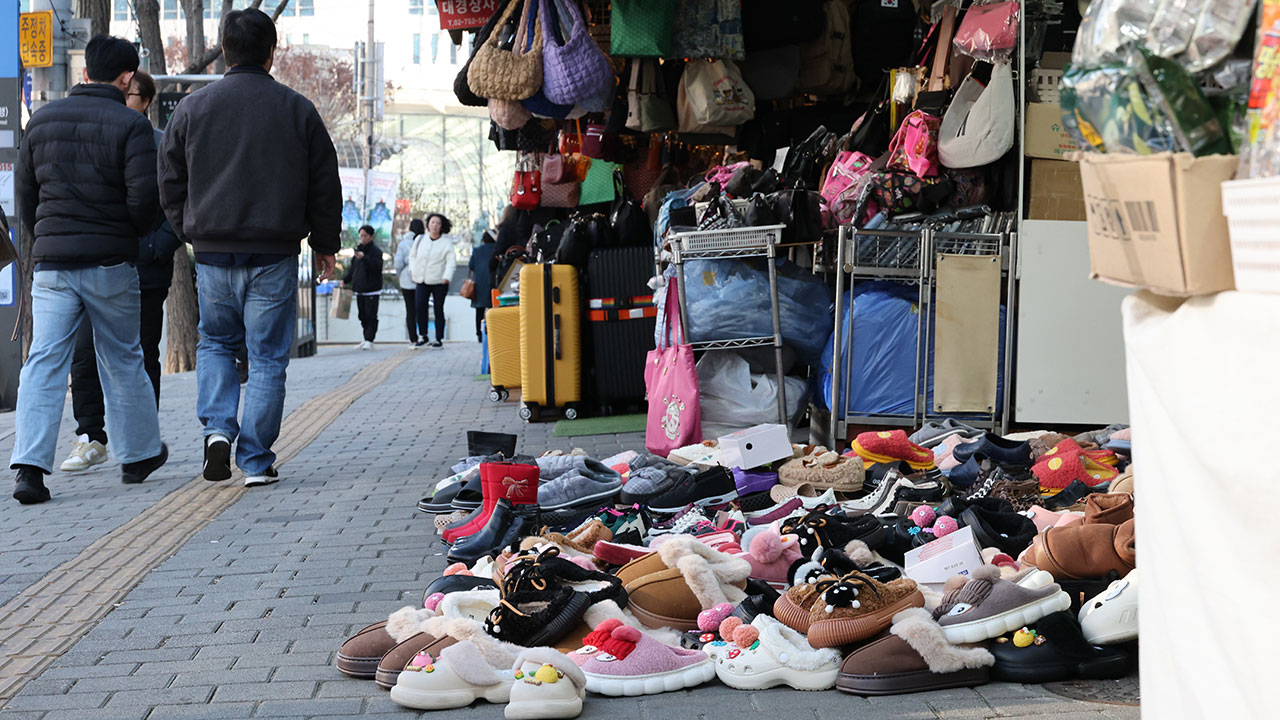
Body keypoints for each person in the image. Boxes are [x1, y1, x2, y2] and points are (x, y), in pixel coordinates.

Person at [158, 8, 340, 488]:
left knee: (216, 341)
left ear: (224, 48)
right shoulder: (296, 108)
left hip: (213, 252)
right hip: (274, 252)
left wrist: (189, 229)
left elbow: (170, 179)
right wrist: (325, 245)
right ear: (271, 51)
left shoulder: (193, 108)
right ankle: (255, 461)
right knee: (266, 357)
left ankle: (218, 430)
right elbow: (325, 182)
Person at [11, 36, 169, 504]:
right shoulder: (132, 126)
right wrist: (124, 232)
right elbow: (144, 203)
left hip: (53, 264)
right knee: (122, 355)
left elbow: (26, 197)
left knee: (44, 361)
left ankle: (29, 469)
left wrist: (48, 236)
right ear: (126, 78)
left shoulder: (41, 121)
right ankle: (138, 454)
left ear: (84, 73)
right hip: (110, 262)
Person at [59, 70, 182, 474]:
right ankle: (90, 435)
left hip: (146, 266)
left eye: (128, 95)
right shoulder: (97, 138)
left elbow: (177, 203)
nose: (121, 100)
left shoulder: (161, 144)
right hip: (102, 261)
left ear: (145, 102)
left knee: (141, 351)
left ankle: (141, 441)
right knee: (84, 351)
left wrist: (157, 247)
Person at [408, 213, 456, 348]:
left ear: (442, 226)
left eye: (438, 223)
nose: (434, 226)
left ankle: (438, 338)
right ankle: (423, 335)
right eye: (432, 222)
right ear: (428, 224)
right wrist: (412, 270)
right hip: (421, 279)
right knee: (419, 307)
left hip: (439, 281)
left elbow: (451, 262)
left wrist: (447, 276)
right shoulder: (419, 239)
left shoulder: (446, 243)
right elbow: (412, 256)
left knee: (438, 309)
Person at [344, 224, 383, 350]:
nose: (362, 238)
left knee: (371, 315)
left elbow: (376, 267)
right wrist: (345, 280)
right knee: (362, 316)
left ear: (371, 236)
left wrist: (364, 259)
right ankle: (366, 337)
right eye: (361, 236)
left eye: (365, 236)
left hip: (372, 289)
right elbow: (353, 269)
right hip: (359, 288)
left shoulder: (376, 252)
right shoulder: (357, 251)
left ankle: (369, 339)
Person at [394, 219, 423, 347]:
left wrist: (400, 275)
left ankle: (413, 338)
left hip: (406, 281)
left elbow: (398, 264)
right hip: (422, 280)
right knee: (421, 309)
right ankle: (423, 335)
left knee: (410, 310)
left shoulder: (403, 243)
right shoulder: (425, 242)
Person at [468, 229, 498, 343]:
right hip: (493, 282)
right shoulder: (497, 250)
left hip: (479, 283)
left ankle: (479, 334)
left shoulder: (477, 250)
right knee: (492, 308)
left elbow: (471, 265)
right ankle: (491, 332)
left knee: (479, 311)